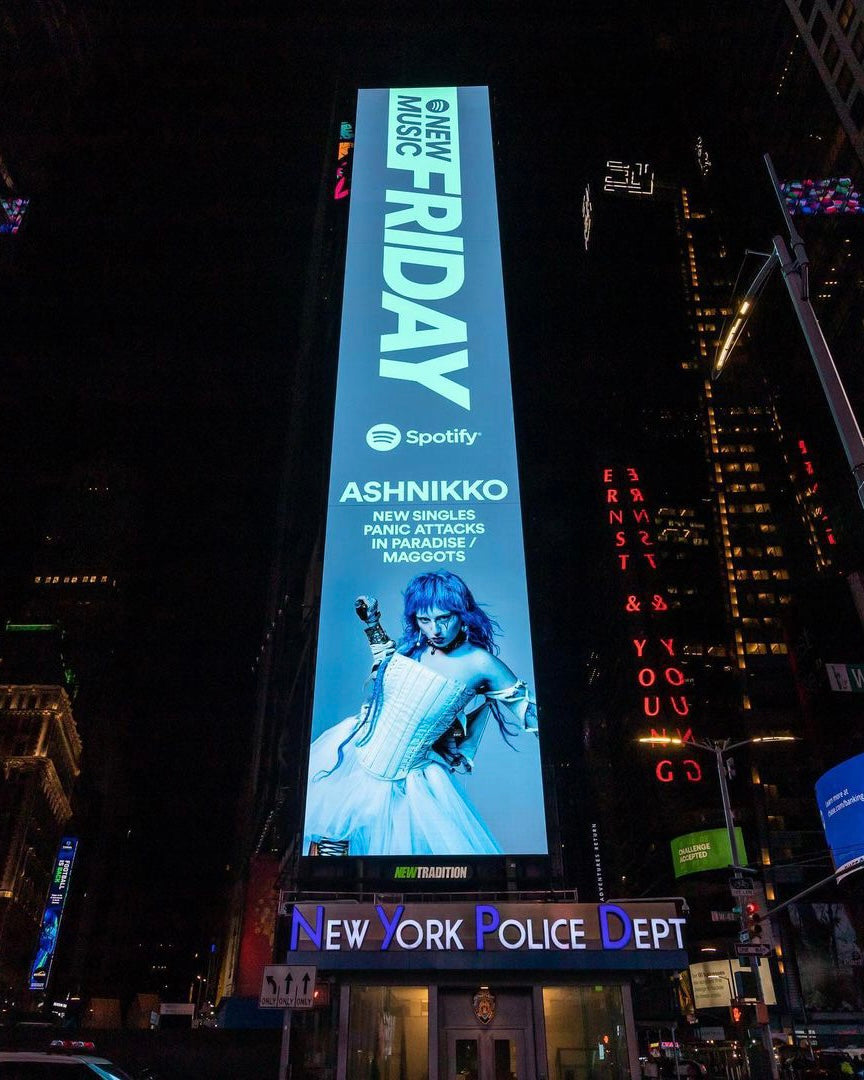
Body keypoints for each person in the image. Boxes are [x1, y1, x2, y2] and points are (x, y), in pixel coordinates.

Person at [303, 570, 538, 856]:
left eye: (444, 618)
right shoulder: (414, 647)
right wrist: (372, 624)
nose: (434, 630)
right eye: (424, 620)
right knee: (329, 848)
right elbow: (387, 664)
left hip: (406, 784)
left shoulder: (482, 663)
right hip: (353, 756)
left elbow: (529, 713)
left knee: (390, 877)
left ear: (463, 614)